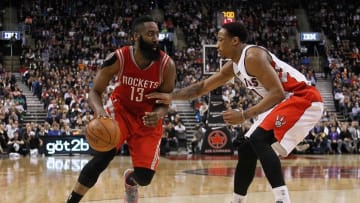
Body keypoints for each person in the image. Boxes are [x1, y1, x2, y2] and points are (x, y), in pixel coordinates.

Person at [146, 22, 324, 203]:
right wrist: (170, 96)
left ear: (235, 41)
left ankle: (282, 199)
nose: (217, 45)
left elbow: (277, 93)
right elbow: (201, 88)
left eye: (221, 40)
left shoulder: (252, 56)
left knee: (258, 139)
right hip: (285, 102)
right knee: (247, 150)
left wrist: (244, 115)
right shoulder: (233, 66)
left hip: (303, 98)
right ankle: (237, 200)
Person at [66, 15, 176, 203]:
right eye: (150, 34)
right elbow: (95, 91)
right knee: (102, 157)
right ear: (135, 37)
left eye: (157, 34)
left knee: (145, 178)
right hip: (120, 111)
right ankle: (72, 200)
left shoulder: (167, 65)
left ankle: (130, 181)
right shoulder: (119, 58)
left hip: (147, 118)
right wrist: (100, 111)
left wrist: (157, 115)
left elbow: (165, 101)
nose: (156, 39)